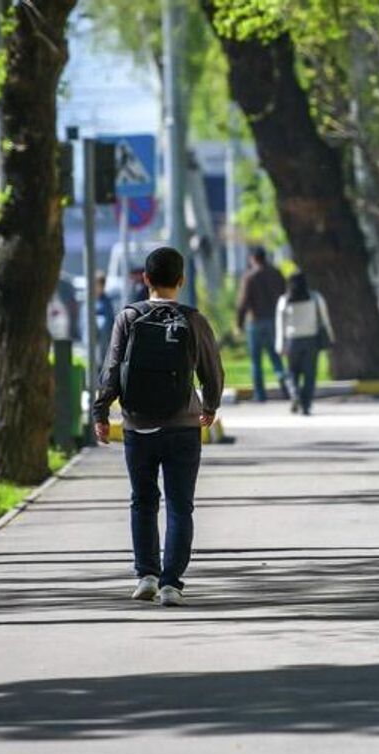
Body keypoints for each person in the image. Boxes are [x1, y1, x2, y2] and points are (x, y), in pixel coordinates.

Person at [91, 247, 225, 607]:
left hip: (138, 426)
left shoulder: (128, 317)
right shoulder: (194, 320)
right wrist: (210, 405)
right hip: (183, 426)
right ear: (181, 281)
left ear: (145, 279)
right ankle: (171, 585)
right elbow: (212, 370)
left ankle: (146, 575)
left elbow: (112, 370)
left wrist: (101, 413)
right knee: (180, 506)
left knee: (143, 501)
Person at [235, 246, 290, 402]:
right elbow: (285, 295)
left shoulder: (249, 277)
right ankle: (287, 389)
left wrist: (238, 324)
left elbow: (243, 303)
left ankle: (260, 395)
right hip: (274, 321)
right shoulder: (277, 274)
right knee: (276, 358)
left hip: (255, 322)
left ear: (253, 258)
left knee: (256, 361)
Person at [276, 272, 333, 416]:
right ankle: (306, 405)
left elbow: (280, 324)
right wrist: (330, 337)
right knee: (310, 374)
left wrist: (280, 345)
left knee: (291, 372)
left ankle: (295, 396)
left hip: (292, 341)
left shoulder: (284, 300)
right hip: (311, 340)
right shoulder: (315, 297)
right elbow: (325, 319)